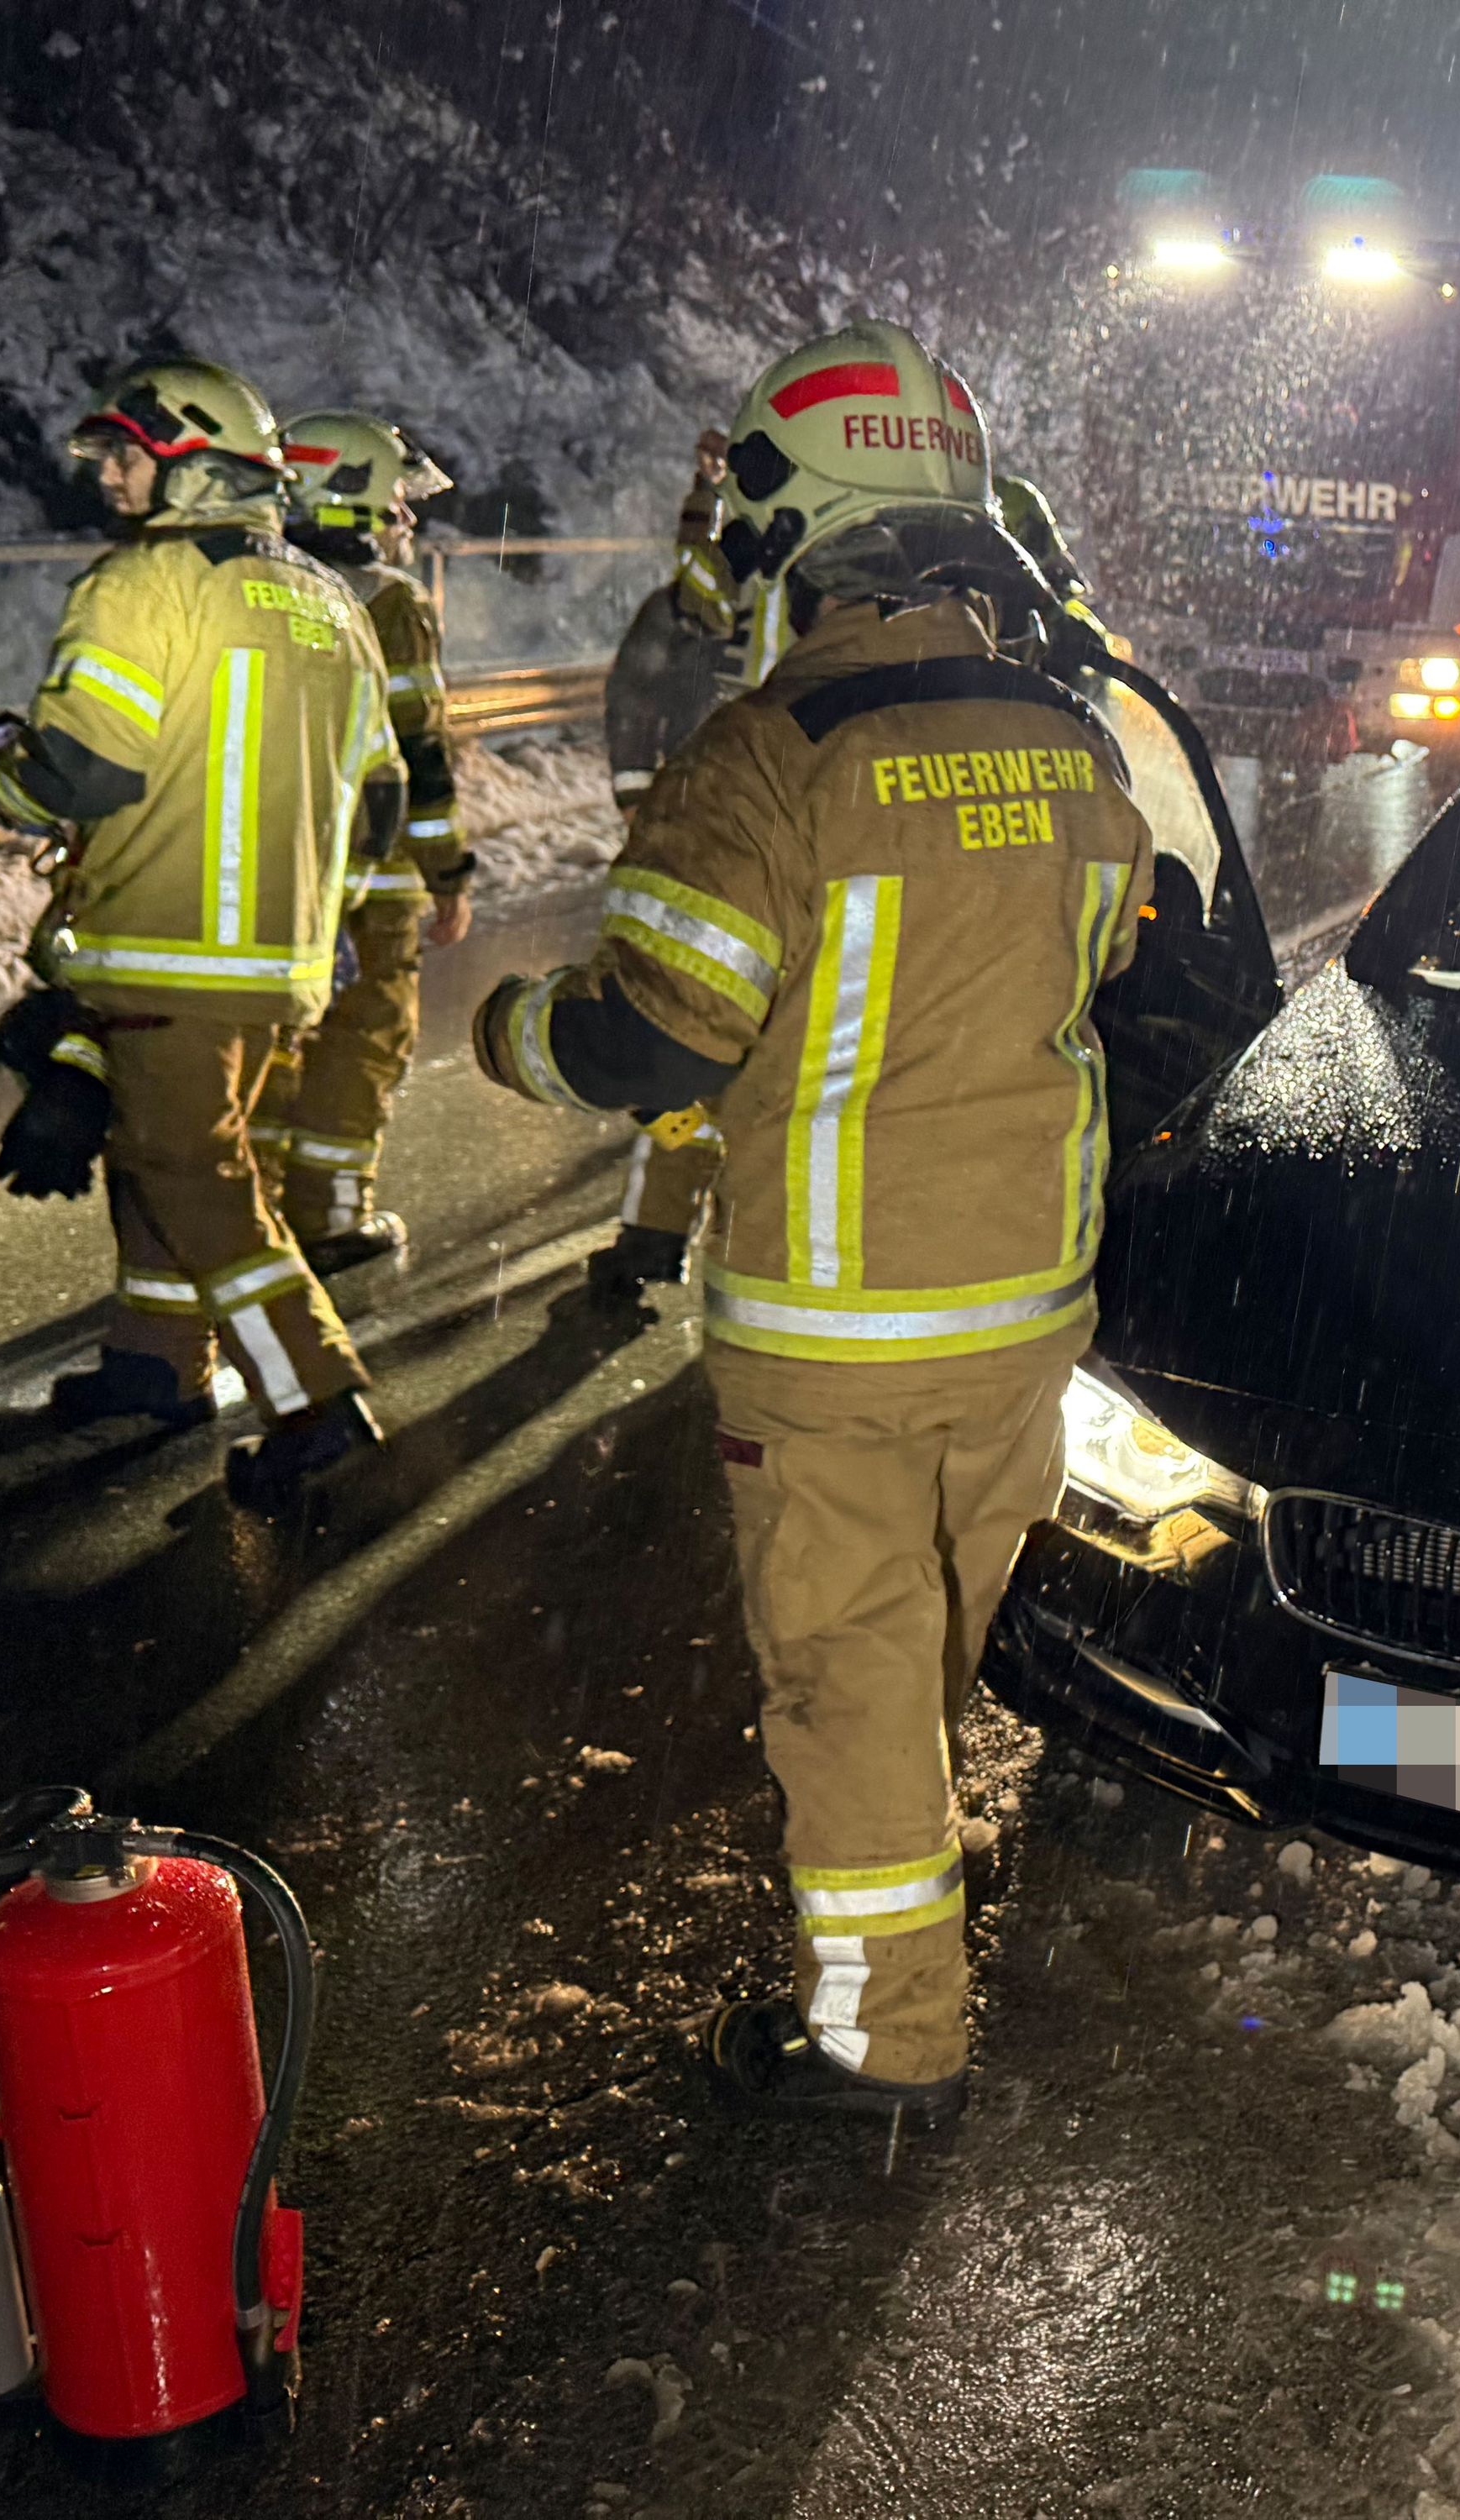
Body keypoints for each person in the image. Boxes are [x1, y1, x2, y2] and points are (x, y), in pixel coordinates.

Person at [472, 320, 1153, 2125]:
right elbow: (1103, 977)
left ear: (810, 516)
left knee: (842, 1680)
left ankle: (880, 2040)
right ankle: (913, 1897)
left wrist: (515, 1035)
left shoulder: (770, 755)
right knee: (927, 1638)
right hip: (1025, 1314)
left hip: (840, 1332)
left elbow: (645, 1039)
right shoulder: (1074, 744)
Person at [0, 359, 402, 1512]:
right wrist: (310, 919)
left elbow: (83, 765)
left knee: (189, 1166)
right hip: (281, 966)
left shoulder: (142, 584)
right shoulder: (330, 602)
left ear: (199, 470)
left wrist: (7, 785)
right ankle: (158, 1361)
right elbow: (379, 799)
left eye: (129, 457)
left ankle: (317, 1399)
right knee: (176, 1147)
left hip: (162, 947)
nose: (111, 479)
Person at [260, 410, 474, 1271]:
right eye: (393, 503)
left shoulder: (256, 586)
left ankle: (247, 1219)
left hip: (276, 873)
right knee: (362, 1043)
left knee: (273, 1051)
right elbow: (418, 747)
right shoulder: (392, 604)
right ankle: (332, 1221)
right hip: (372, 879)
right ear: (347, 500)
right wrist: (448, 869)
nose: (406, 520)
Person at [588, 430, 743, 1311]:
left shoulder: (775, 612)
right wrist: (640, 797)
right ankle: (661, 1234)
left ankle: (662, 1234)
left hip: (719, 858)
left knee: (681, 1044)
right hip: (704, 857)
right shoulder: (725, 609)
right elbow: (633, 690)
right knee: (682, 1044)